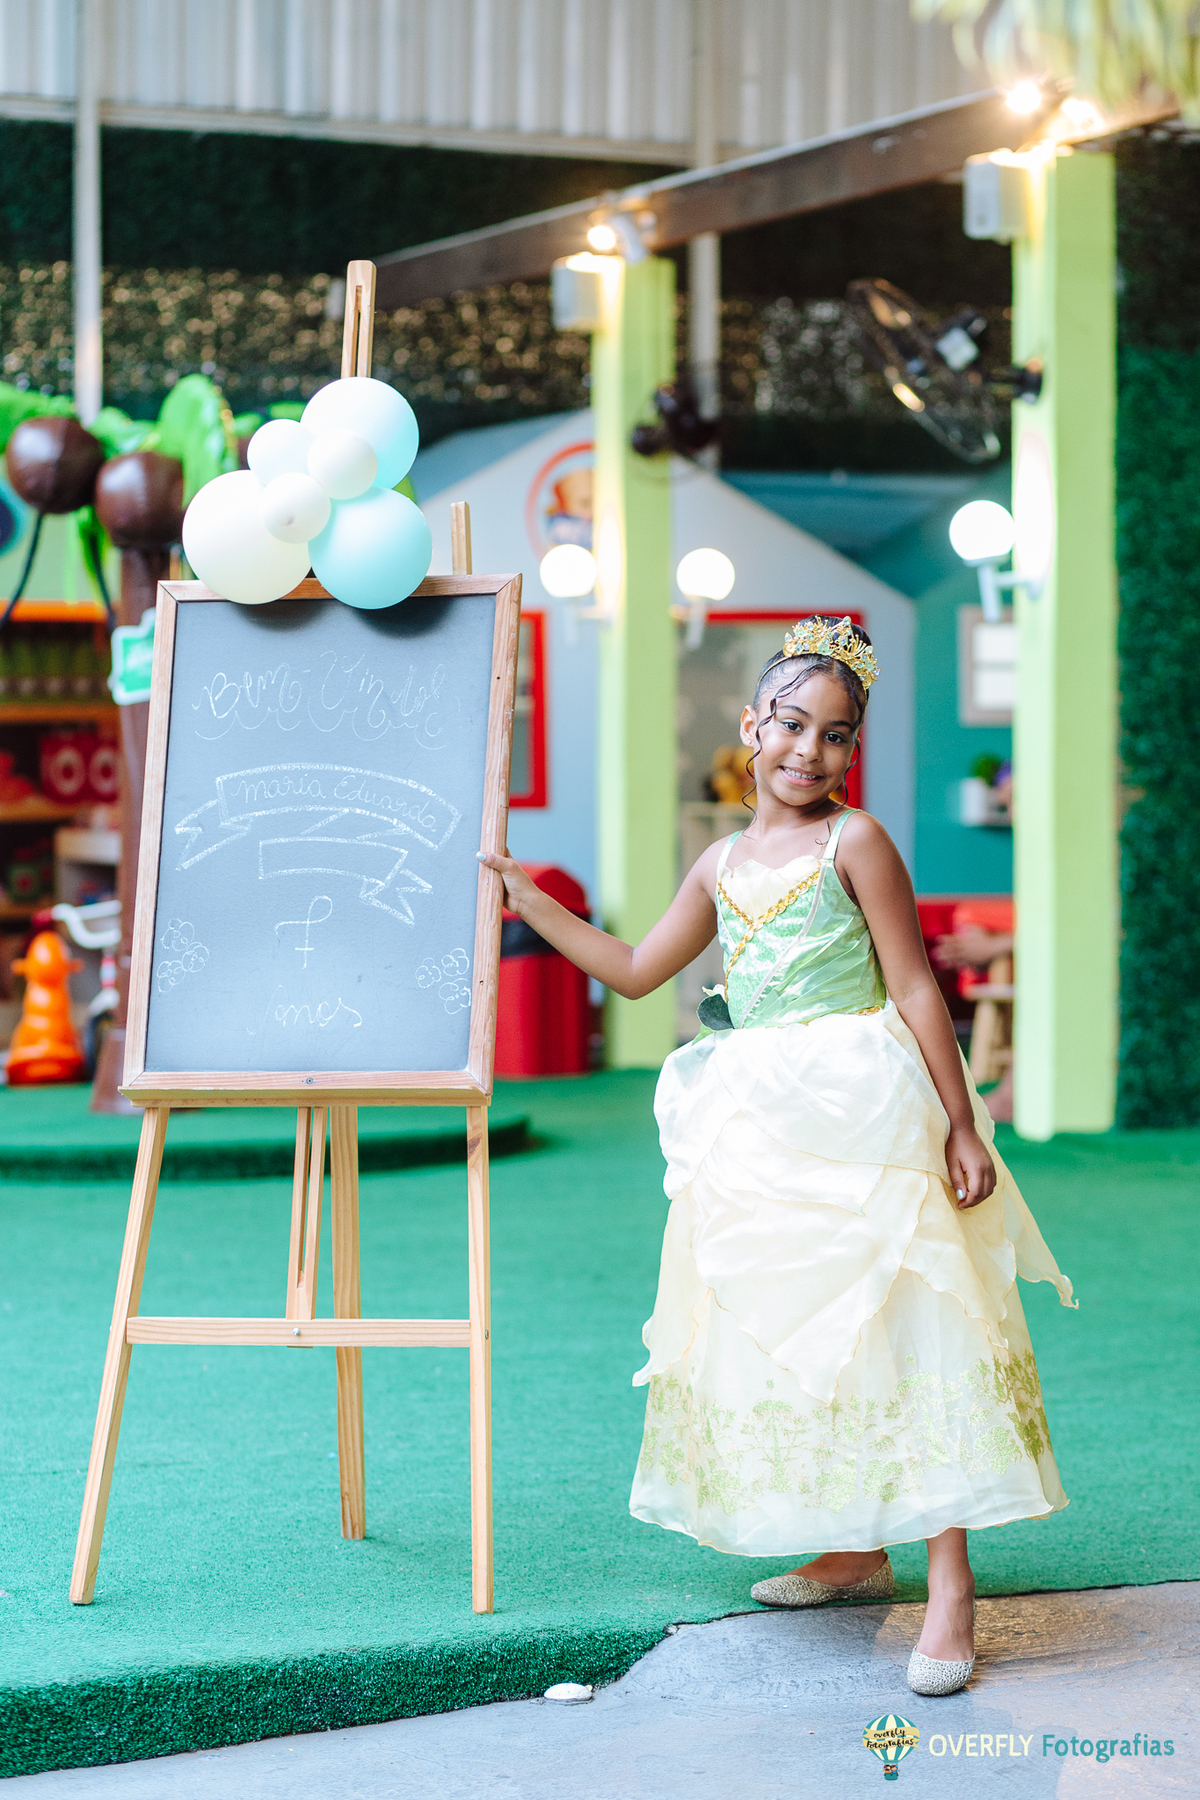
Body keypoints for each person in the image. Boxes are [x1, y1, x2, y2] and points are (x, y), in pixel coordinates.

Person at [478, 615, 1075, 1699]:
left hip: (863, 1107)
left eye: (837, 735)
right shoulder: (719, 860)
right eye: (792, 724)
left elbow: (910, 985)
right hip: (757, 1115)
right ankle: (852, 1546)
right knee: (799, 1324)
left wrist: (959, 1121)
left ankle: (949, 1583)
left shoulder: (859, 843)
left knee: (901, 1319)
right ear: (753, 726)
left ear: (855, 751)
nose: (810, 750)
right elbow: (633, 968)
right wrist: (534, 906)